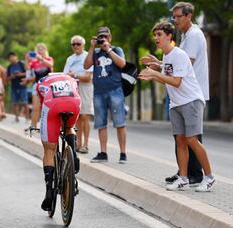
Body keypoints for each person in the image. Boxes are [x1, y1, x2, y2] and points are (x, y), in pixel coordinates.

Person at [139, 21, 215, 192]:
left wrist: (155, 73)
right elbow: (168, 78)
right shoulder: (167, 57)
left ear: (169, 36)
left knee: (191, 140)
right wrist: (154, 74)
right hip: (176, 103)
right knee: (180, 141)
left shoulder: (179, 54)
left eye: (159, 35)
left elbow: (177, 82)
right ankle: (183, 178)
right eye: (155, 35)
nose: (156, 38)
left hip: (191, 101)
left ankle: (209, 177)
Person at [34, 74, 81, 211]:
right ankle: (74, 152)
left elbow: (40, 107)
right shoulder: (70, 79)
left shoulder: (41, 82)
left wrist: (33, 124)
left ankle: (49, 192)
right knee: (69, 127)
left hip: (52, 105)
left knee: (49, 149)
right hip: (74, 103)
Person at [83, 26, 127, 163]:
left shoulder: (116, 50)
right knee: (101, 124)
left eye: (106, 37)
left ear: (110, 38)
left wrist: (108, 49)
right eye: (101, 37)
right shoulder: (95, 52)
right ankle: (103, 153)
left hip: (115, 91)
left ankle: (123, 153)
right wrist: (91, 47)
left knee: (120, 123)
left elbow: (122, 64)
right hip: (99, 92)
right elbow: (86, 65)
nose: (103, 39)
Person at [63, 35, 93, 154]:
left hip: (85, 88)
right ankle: (78, 143)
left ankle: (86, 144)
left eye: (78, 44)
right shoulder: (70, 59)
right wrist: (74, 76)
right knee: (76, 117)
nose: (76, 46)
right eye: (73, 44)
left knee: (85, 116)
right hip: (73, 88)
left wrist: (75, 75)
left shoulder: (87, 57)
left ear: (83, 45)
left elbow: (88, 77)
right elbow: (66, 75)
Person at [23, 43, 54, 131]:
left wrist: (42, 59)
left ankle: (48, 127)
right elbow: (27, 68)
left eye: (42, 49)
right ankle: (33, 126)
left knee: (47, 107)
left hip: (48, 85)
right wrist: (26, 59)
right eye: (38, 49)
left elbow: (51, 65)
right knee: (35, 107)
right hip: (37, 85)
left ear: (45, 50)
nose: (40, 50)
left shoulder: (49, 59)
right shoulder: (34, 62)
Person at [6, 52, 29, 122]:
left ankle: (27, 118)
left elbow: (28, 73)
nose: (12, 59)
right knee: (14, 102)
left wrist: (20, 74)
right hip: (14, 86)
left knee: (25, 102)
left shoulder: (22, 64)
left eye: (13, 57)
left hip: (22, 86)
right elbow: (7, 78)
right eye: (10, 58)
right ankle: (16, 118)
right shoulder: (9, 67)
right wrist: (11, 76)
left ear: (16, 57)